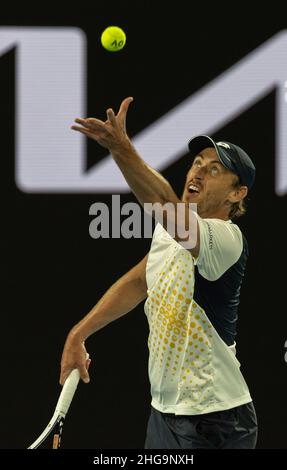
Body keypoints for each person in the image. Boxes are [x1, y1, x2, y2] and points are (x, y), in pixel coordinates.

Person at [60, 97, 258, 449]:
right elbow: (139, 281)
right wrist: (80, 332)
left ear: (236, 193)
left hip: (215, 419)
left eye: (214, 169)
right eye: (197, 163)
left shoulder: (228, 238)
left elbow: (166, 206)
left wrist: (121, 149)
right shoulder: (170, 232)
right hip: (165, 412)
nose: (197, 172)